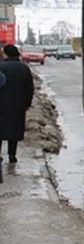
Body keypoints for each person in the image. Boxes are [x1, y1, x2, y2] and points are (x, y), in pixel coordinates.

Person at [0, 44, 34, 178]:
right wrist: (27, 103)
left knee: (1, 130)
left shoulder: (1, 66)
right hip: (18, 105)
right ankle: (12, 155)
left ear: (6, 54)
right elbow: (29, 88)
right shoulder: (24, 68)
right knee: (14, 130)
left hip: (2, 105)